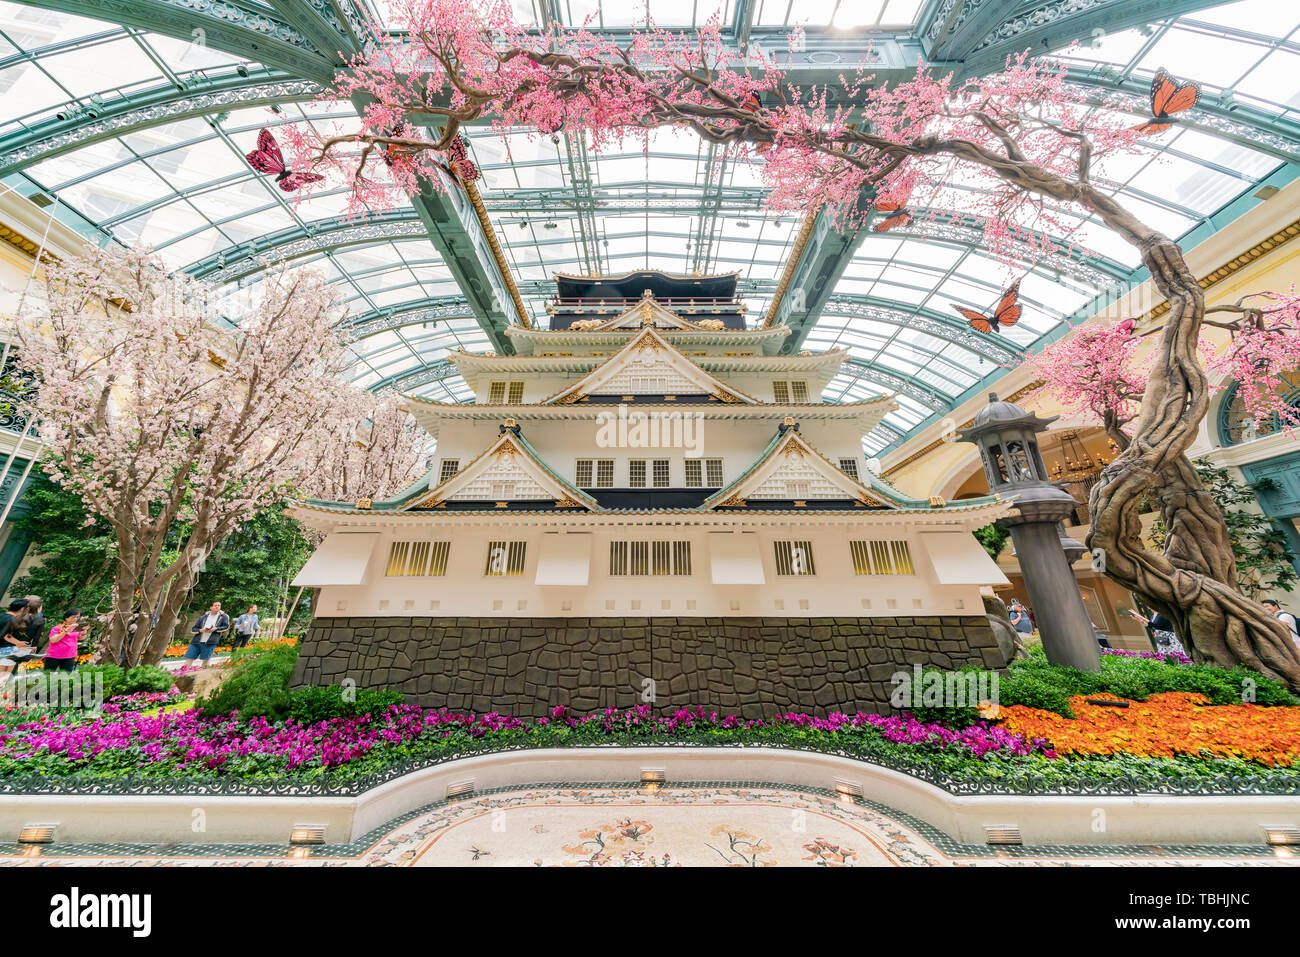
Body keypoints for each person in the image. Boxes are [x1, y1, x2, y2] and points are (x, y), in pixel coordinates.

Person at [184, 601, 230, 666]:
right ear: (211, 607)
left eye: (219, 605)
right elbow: (194, 629)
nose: (217, 606)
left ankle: (203, 674)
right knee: (189, 657)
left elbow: (226, 626)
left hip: (210, 642)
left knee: (206, 660)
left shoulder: (224, 616)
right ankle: (184, 672)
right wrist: (201, 630)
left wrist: (216, 628)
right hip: (196, 642)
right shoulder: (203, 617)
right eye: (215, 605)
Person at [43, 608, 84, 673]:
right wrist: (67, 630)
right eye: (73, 617)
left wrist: (84, 631)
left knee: (65, 678)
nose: (76, 619)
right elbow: (53, 640)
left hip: (70, 655)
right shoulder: (57, 628)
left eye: (77, 617)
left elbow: (81, 638)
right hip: (54, 656)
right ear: (66, 618)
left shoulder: (77, 628)